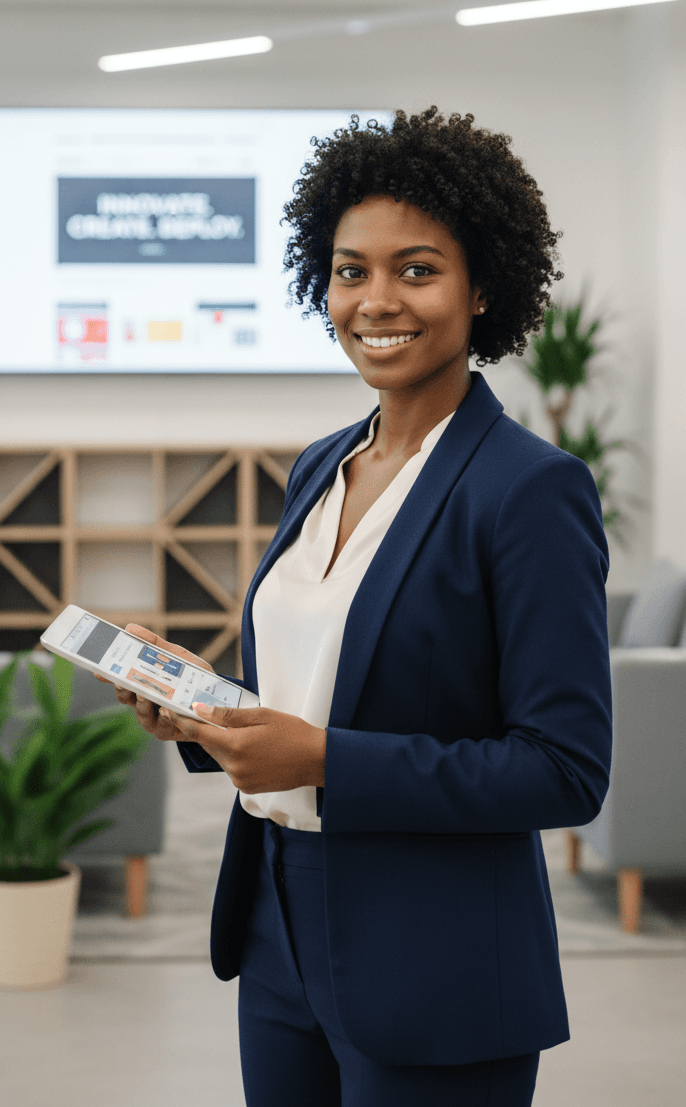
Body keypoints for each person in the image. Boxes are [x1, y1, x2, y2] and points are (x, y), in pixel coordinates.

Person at [105, 108, 612, 1107]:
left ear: (482, 288)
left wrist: (325, 760)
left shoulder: (529, 489)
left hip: (434, 958)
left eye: (417, 270)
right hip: (276, 932)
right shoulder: (321, 465)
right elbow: (319, 690)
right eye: (351, 271)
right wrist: (206, 713)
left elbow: (564, 770)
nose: (376, 300)